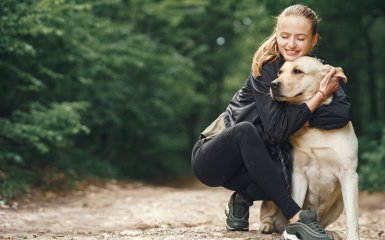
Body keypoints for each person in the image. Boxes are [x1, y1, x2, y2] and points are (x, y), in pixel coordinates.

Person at [191, 4, 350, 240]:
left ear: (313, 40)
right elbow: (276, 130)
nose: (291, 44)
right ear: (277, 35)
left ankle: (242, 197)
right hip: (216, 157)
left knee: (291, 172)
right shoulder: (266, 69)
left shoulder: (313, 69)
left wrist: (303, 115)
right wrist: (317, 98)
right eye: (285, 36)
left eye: (300, 38)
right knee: (245, 131)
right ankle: (296, 220)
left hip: (257, 164)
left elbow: (341, 112)